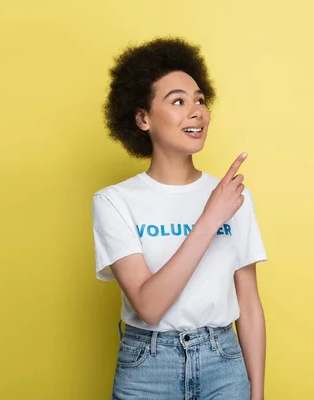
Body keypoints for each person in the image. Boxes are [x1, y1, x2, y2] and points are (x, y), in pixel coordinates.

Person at [91, 36, 268, 400]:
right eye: (178, 102)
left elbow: (248, 303)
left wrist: (258, 393)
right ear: (142, 118)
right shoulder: (114, 202)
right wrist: (209, 218)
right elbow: (149, 305)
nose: (197, 111)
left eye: (200, 100)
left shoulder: (234, 197)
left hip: (224, 364)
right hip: (148, 369)